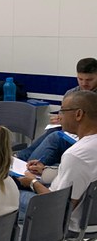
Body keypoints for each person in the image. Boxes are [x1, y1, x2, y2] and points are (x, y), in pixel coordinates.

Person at [16, 90, 97, 232]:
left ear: (78, 114)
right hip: (92, 219)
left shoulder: (76, 155)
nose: (59, 116)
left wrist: (32, 182)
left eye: (62, 111)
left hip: (68, 221)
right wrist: (45, 171)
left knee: (4, 193)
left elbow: (59, 208)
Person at [16, 57, 97, 165]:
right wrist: (59, 118)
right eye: (80, 79)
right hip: (70, 133)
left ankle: (29, 167)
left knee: (55, 137)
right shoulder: (71, 93)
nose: (84, 83)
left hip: (89, 139)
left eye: (89, 80)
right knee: (53, 130)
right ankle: (20, 159)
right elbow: (62, 113)